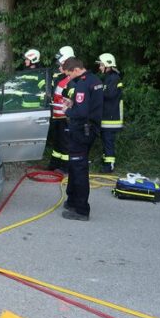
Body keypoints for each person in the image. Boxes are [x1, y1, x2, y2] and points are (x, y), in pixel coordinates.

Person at [61, 57, 103, 221]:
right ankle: (72, 201)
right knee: (74, 165)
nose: (69, 78)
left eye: (69, 74)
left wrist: (67, 110)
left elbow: (81, 113)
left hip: (81, 131)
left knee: (79, 169)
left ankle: (81, 210)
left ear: (76, 70)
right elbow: (88, 106)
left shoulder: (82, 84)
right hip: (90, 129)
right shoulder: (95, 80)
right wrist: (73, 103)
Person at [96, 53, 123, 173]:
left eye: (101, 65)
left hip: (111, 117)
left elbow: (110, 95)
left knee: (108, 140)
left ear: (107, 65)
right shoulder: (108, 78)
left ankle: (109, 165)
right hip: (107, 115)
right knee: (105, 139)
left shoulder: (114, 78)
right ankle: (106, 160)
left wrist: (97, 93)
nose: (100, 67)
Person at [47, 54, 72, 172]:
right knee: (57, 142)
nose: (59, 66)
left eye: (61, 64)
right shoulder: (60, 78)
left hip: (65, 117)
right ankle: (55, 164)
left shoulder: (72, 80)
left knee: (65, 143)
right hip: (57, 116)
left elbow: (72, 101)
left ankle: (65, 167)